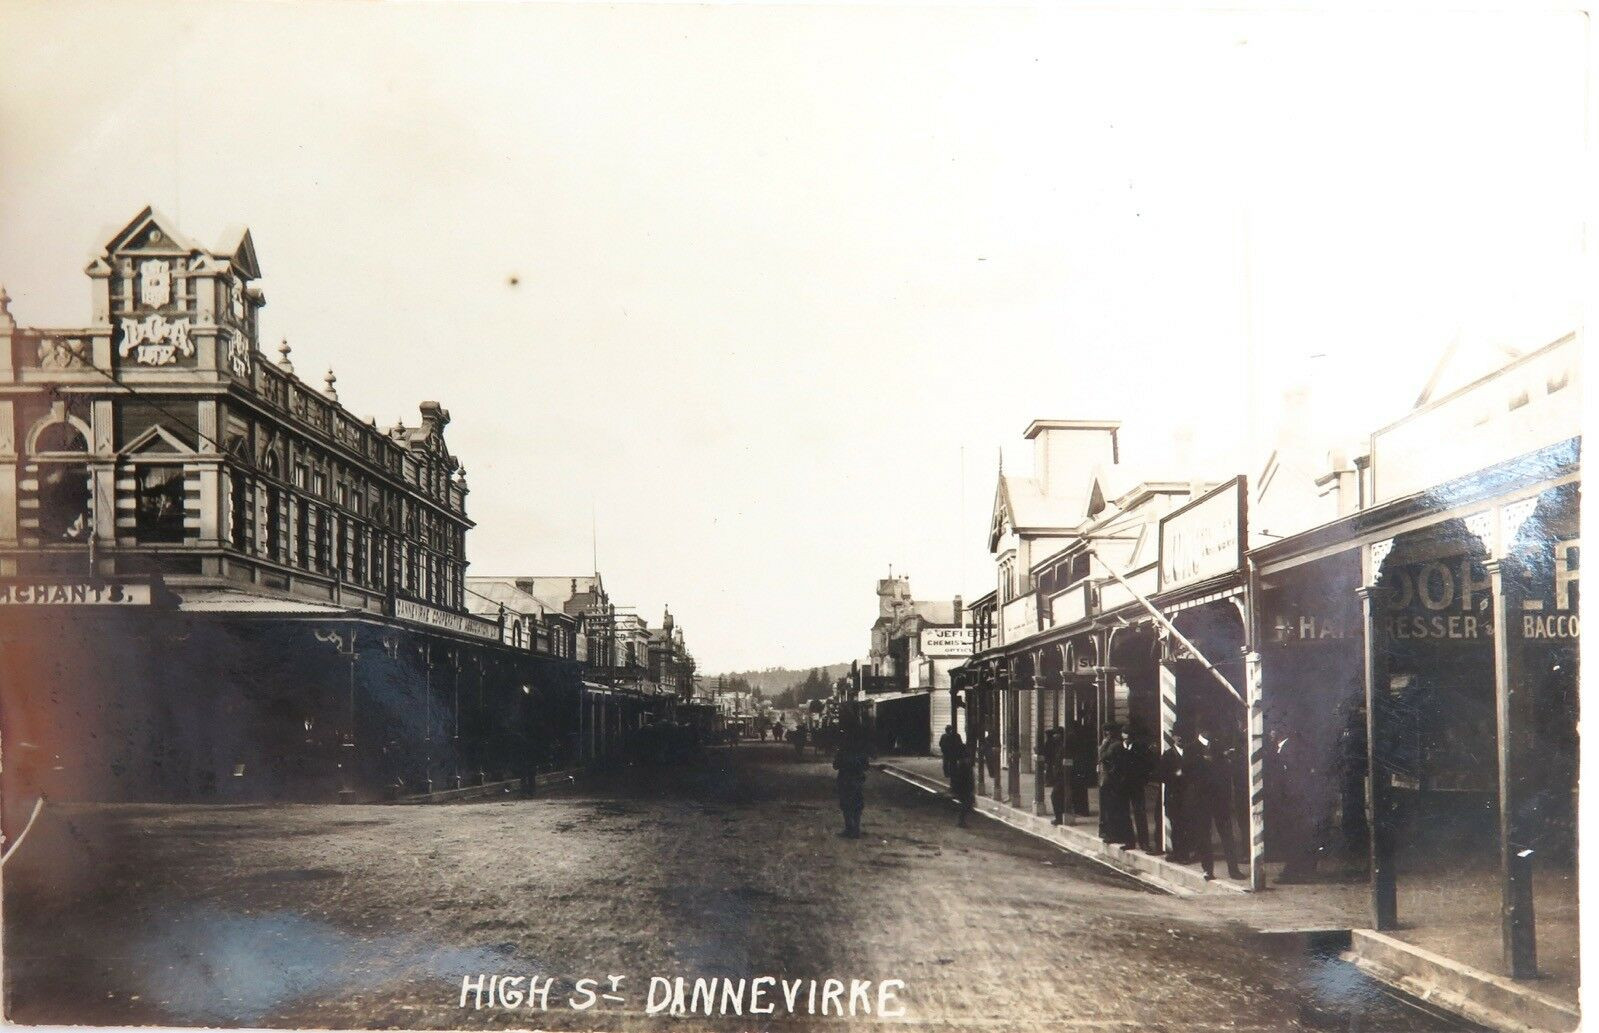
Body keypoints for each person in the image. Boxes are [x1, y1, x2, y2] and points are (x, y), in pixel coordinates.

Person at [1191, 729, 1244, 881]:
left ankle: (1233, 870)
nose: (1209, 734)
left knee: (1227, 835)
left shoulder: (1219, 747)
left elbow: (1227, 773)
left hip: (1220, 800)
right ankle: (1207, 869)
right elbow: (1189, 774)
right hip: (1201, 800)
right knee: (1204, 836)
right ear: (1200, 732)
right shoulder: (1191, 749)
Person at [1103, 722, 1154, 850]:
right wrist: (1114, 778)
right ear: (1122, 735)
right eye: (1125, 735)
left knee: (1140, 813)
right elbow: (1106, 761)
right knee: (1124, 814)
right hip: (1121, 786)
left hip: (1136, 786)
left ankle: (1144, 842)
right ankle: (1129, 841)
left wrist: (1143, 780)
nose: (1127, 739)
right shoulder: (1116, 748)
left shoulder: (1140, 748)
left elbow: (1148, 765)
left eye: (1130, 736)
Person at [833, 724, 872, 838]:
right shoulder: (861, 752)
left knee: (846, 804)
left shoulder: (842, 751)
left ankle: (849, 828)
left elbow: (835, 766)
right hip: (857, 779)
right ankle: (856, 829)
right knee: (857, 804)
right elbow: (866, 766)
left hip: (844, 779)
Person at [1097, 722, 1133, 844]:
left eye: (1107, 731)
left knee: (1113, 808)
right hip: (1110, 779)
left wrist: (1104, 744)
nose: (1106, 733)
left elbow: (1102, 756)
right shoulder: (1116, 744)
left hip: (1112, 780)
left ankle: (1114, 834)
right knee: (1112, 808)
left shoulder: (1114, 745)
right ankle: (1112, 832)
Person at [1067, 717, 1096, 816]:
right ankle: (1083, 810)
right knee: (1081, 790)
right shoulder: (1082, 737)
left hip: (1075, 766)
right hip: (1082, 766)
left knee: (1076, 789)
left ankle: (1078, 810)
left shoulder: (1071, 737)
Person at [1038, 726, 1068, 824]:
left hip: (1062, 775)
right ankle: (1060, 816)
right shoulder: (1057, 745)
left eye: (1057, 734)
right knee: (1059, 796)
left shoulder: (1063, 746)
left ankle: (1059, 818)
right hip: (1059, 775)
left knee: (1055, 796)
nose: (1055, 736)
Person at [950, 742, 976, 827]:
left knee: (966, 804)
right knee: (966, 804)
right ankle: (961, 821)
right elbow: (966, 778)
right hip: (964, 788)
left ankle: (961, 820)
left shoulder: (961, 765)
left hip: (964, 787)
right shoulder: (964, 766)